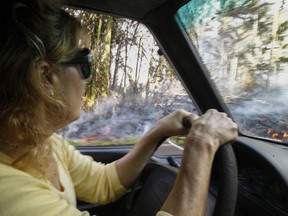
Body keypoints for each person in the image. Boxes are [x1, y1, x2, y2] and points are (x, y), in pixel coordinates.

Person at [0, 0, 238, 216]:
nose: (87, 79)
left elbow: (103, 183)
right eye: (85, 63)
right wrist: (200, 144)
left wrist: (158, 132)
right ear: (45, 77)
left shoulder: (44, 142)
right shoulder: (8, 192)